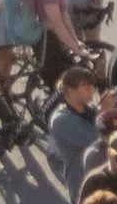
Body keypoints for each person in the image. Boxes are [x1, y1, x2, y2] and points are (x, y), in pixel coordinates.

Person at [44, 60, 105, 191]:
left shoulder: (89, 108)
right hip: (81, 182)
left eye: (92, 86)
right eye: (85, 87)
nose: (92, 90)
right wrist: (104, 113)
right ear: (71, 91)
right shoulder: (62, 120)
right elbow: (95, 141)